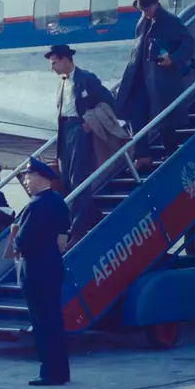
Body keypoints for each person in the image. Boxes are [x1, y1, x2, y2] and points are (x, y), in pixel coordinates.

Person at [44, 43, 123, 242]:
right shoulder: (62, 83)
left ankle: (78, 229)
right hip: (65, 131)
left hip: (80, 129)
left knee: (78, 178)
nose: (52, 67)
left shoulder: (86, 78)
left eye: (54, 63)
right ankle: (92, 216)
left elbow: (108, 101)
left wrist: (91, 121)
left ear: (65, 59)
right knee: (66, 180)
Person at [10, 156, 72, 386]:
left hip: (36, 269)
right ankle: (61, 371)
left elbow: (21, 240)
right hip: (52, 266)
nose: (26, 182)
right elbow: (64, 230)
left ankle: (49, 372)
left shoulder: (35, 205)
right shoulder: (57, 200)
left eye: (27, 177)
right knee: (54, 321)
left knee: (41, 323)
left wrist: (15, 239)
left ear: (38, 177)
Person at [114, 0, 195, 162]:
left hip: (160, 77)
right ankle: (142, 155)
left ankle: (171, 152)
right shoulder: (142, 22)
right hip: (140, 76)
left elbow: (189, 43)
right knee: (137, 113)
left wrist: (173, 59)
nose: (145, 13)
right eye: (142, 10)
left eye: (147, 9)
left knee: (164, 117)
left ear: (156, 4)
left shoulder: (170, 21)